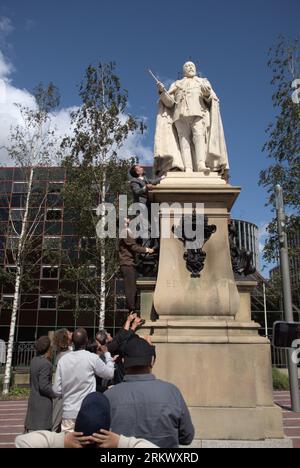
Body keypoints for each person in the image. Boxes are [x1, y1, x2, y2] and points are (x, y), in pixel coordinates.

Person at [105, 334, 195, 448]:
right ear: (152, 361)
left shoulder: (108, 396)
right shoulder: (171, 392)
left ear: (123, 361)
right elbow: (187, 436)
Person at [154, 61, 229, 175]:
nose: (190, 68)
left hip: (198, 113)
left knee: (199, 138)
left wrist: (207, 94)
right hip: (179, 116)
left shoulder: (202, 81)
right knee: (184, 142)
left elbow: (212, 101)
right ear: (184, 70)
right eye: (187, 66)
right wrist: (162, 91)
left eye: (192, 66)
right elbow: (169, 103)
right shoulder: (176, 84)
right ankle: (188, 167)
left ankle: (201, 165)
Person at [15, 392, 157, 449]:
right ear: (110, 428)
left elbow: (22, 442)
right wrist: (122, 442)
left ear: (77, 425)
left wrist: (61, 441)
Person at [52, 328, 114, 432]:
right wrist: (107, 354)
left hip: (69, 412)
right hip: (88, 412)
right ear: (86, 341)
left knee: (69, 443)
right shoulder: (91, 358)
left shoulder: (63, 360)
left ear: (72, 341)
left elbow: (56, 390)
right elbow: (109, 373)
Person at [119, 217, 154, 314]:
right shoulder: (125, 232)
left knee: (133, 287)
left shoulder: (128, 232)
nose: (129, 221)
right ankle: (132, 310)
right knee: (130, 288)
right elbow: (133, 247)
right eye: (127, 221)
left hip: (130, 264)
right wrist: (147, 250)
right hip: (127, 264)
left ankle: (133, 309)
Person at [24, 336, 56, 432]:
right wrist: (55, 393)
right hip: (43, 405)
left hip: (33, 401)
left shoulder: (34, 361)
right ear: (48, 349)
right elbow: (44, 386)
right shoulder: (46, 364)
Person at [52, 329, 73, 432]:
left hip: (63, 392)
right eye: (69, 333)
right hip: (63, 393)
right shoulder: (67, 355)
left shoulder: (62, 354)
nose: (71, 333)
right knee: (56, 421)